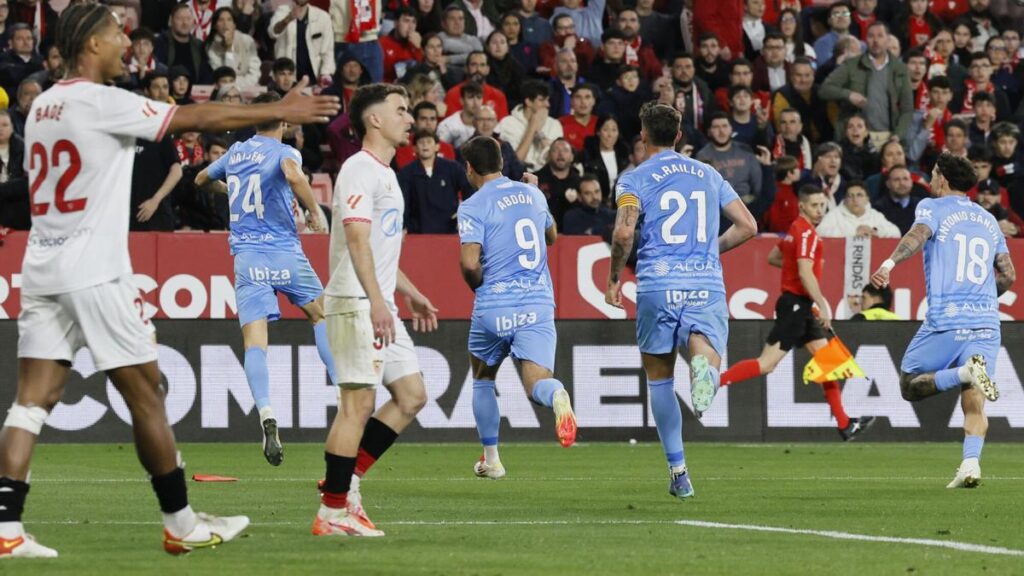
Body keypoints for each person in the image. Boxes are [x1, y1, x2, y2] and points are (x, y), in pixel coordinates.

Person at [0, 3, 339, 558]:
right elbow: (194, 120)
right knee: (150, 394)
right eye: (115, 34)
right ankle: (181, 522)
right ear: (89, 44)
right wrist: (282, 107)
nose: (124, 42)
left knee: (30, 402)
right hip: (95, 270)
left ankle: (6, 529)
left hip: (42, 266)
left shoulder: (41, 109)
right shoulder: (102, 100)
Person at [605, 102, 758, 498]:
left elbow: (624, 235)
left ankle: (679, 473)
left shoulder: (633, 179)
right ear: (678, 136)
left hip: (657, 282)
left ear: (642, 135)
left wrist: (613, 278)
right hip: (704, 282)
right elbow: (748, 226)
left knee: (659, 379)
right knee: (703, 344)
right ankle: (704, 365)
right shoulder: (708, 173)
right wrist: (709, 248)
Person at [316, 83, 438, 537]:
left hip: (379, 301)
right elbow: (356, 240)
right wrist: (377, 301)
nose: (411, 118)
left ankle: (344, 485)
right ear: (375, 120)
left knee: (411, 396)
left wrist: (408, 292)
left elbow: (380, 252)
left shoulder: (387, 174)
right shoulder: (358, 169)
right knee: (358, 405)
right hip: (356, 303)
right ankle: (332, 512)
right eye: (402, 110)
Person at [195, 91, 337, 466]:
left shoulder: (236, 153)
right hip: (285, 252)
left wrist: (228, 190)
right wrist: (314, 211)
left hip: (247, 257)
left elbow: (198, 180)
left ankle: (266, 413)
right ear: (285, 122)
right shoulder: (286, 152)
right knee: (321, 315)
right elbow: (292, 175)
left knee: (255, 342)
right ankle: (344, 393)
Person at [870, 152, 1015, 488]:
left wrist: (889, 265)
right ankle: (970, 464)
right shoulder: (989, 220)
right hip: (985, 323)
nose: (930, 179)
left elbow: (918, 235)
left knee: (909, 385)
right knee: (974, 396)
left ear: (943, 179)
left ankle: (965, 372)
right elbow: (1008, 276)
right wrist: (981, 299)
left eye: (934, 173)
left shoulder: (931, 208)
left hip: (946, 320)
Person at [457, 135, 577, 479]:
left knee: (482, 379)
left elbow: (468, 263)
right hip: (536, 304)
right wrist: (534, 196)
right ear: (501, 161)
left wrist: (477, 284)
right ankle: (557, 395)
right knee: (538, 383)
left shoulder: (473, 205)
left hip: (494, 305)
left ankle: (492, 460)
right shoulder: (533, 193)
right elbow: (552, 238)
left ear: (469, 168)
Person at [719, 185, 876, 441]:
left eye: (822, 205)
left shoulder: (795, 229)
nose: (819, 210)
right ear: (802, 205)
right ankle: (712, 382)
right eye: (814, 205)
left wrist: (798, 272)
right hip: (796, 306)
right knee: (766, 364)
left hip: (800, 306)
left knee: (828, 365)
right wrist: (822, 304)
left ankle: (845, 424)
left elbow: (773, 257)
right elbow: (804, 272)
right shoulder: (807, 235)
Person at [399, 128, 474, 233]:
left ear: (437, 146)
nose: (425, 145)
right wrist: (403, 226)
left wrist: (465, 213)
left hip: (449, 231)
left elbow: (470, 188)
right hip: (417, 232)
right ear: (415, 148)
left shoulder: (452, 168)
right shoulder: (406, 173)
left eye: (429, 142)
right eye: (421, 142)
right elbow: (403, 203)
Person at [816, 180, 900, 238]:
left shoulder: (875, 215)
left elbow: (896, 233)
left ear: (867, 199)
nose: (855, 199)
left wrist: (876, 231)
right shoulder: (835, 214)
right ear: (844, 199)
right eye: (850, 196)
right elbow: (819, 232)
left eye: (859, 195)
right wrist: (854, 233)